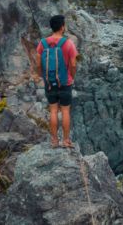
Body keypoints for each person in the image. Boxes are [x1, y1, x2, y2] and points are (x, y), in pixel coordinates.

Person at [35, 15, 79, 148]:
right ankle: (65, 141)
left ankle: (54, 141)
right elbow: (73, 64)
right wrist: (72, 76)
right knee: (65, 111)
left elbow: (38, 63)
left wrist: (42, 76)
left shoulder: (42, 43)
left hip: (49, 82)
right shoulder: (68, 43)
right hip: (65, 83)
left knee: (53, 110)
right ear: (62, 27)